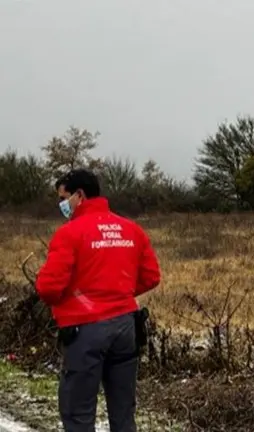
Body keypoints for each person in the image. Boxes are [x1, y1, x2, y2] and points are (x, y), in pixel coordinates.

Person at [35, 168, 161, 432]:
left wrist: (77, 300)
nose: (62, 205)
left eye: (64, 198)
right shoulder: (131, 229)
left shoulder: (70, 233)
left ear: (79, 195)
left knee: (78, 412)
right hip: (126, 327)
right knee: (123, 412)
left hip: (85, 331)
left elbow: (48, 287)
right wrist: (118, 293)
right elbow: (151, 276)